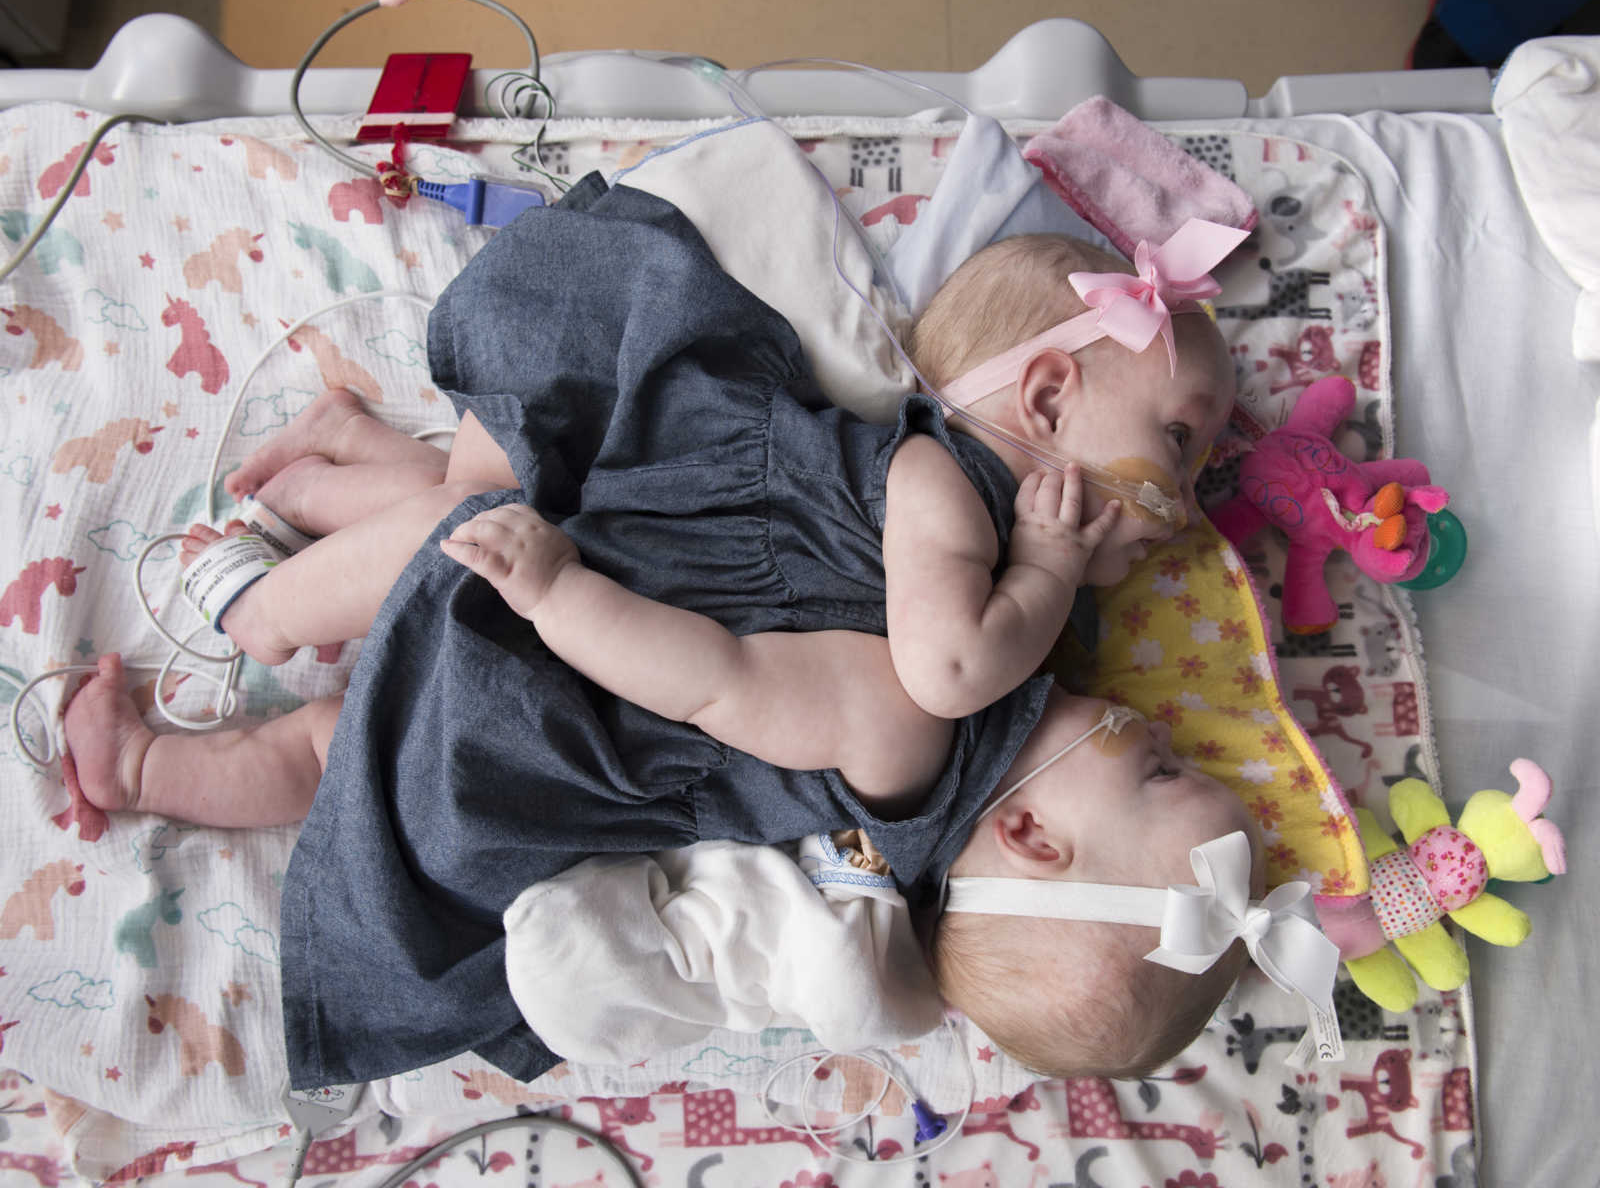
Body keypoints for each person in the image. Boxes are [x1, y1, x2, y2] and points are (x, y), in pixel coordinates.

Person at [63, 174, 1252, 1086]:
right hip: (654, 541)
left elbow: (716, 681)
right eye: (1184, 449)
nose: (1167, 728)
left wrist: (557, 596)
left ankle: (216, 679)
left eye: (1161, 766)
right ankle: (339, 498)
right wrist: (1053, 566)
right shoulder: (1017, 611)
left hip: (569, 689)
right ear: (1045, 398)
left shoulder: (915, 724)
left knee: (437, 584)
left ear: (1035, 836)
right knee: (435, 576)